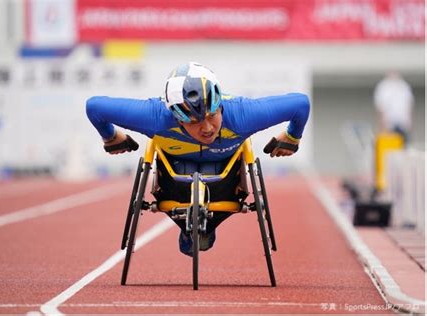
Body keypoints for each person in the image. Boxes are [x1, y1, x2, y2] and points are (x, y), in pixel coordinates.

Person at [86, 62, 310, 256]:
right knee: (192, 245)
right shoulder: (155, 117)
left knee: (202, 242)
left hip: (226, 183)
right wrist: (110, 137)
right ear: (177, 118)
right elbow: (94, 107)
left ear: (220, 104)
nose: (207, 128)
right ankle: (189, 229)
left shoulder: (243, 115)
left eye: (213, 115)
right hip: (174, 182)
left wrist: (292, 137)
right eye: (194, 122)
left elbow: (301, 104)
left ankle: (203, 228)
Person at [373, 71, 415, 144]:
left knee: (404, 144)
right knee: (391, 145)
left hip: (403, 122)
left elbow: (409, 105)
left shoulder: (403, 86)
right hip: (389, 123)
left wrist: (409, 122)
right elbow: (381, 107)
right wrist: (383, 125)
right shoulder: (384, 87)